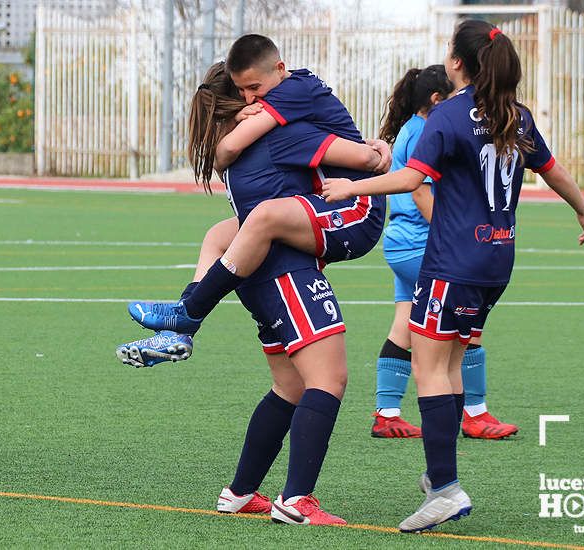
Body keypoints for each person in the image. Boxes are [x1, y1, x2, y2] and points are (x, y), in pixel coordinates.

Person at [322, 20, 584, 532]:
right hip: (496, 262)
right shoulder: (517, 115)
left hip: (453, 263)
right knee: (448, 361)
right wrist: (582, 210)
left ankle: (444, 487)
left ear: (458, 64)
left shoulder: (447, 115)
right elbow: (552, 170)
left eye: (450, 50)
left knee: (431, 369)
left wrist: (352, 188)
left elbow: (410, 178)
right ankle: (438, 477)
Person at [124, 62, 387, 525]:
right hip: (286, 274)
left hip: (254, 277)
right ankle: (297, 499)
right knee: (329, 379)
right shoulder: (283, 135)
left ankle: (241, 492)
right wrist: (379, 153)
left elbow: (223, 232)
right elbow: (362, 162)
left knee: (289, 386)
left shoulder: (237, 151)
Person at [126, 34, 388, 357]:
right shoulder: (281, 107)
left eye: (254, 93)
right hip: (319, 218)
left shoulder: (287, 111)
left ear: (279, 70)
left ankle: (188, 313)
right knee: (218, 236)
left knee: (324, 383)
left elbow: (229, 148)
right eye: (242, 94)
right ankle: (181, 324)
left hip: (357, 207)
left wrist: (378, 155)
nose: (250, 101)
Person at [369, 65, 518, 440]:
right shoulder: (432, 129)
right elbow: (419, 190)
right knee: (465, 331)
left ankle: (386, 413)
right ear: (437, 99)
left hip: (401, 243)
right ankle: (475, 413)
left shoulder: (409, 128)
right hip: (426, 245)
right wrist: (458, 237)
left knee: (404, 324)